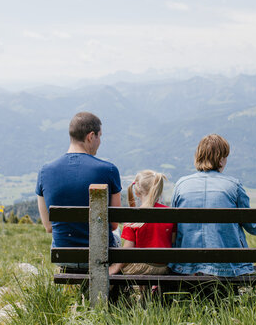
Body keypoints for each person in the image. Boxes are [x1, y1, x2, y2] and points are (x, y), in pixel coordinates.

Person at [169, 134, 256, 277]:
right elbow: (251, 224)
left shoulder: (181, 185)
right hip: (226, 267)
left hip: (186, 266)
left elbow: (173, 224)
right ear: (221, 159)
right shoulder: (233, 185)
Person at [36, 111, 121, 272]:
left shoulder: (45, 171)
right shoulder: (108, 170)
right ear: (90, 136)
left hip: (65, 257)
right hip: (100, 257)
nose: (100, 141)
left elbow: (48, 227)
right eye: (99, 136)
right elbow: (114, 224)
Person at [109, 170, 175, 276]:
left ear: (137, 192)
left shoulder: (134, 217)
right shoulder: (170, 213)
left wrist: (115, 267)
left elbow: (127, 250)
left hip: (142, 267)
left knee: (120, 266)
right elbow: (172, 240)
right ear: (159, 190)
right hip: (164, 267)